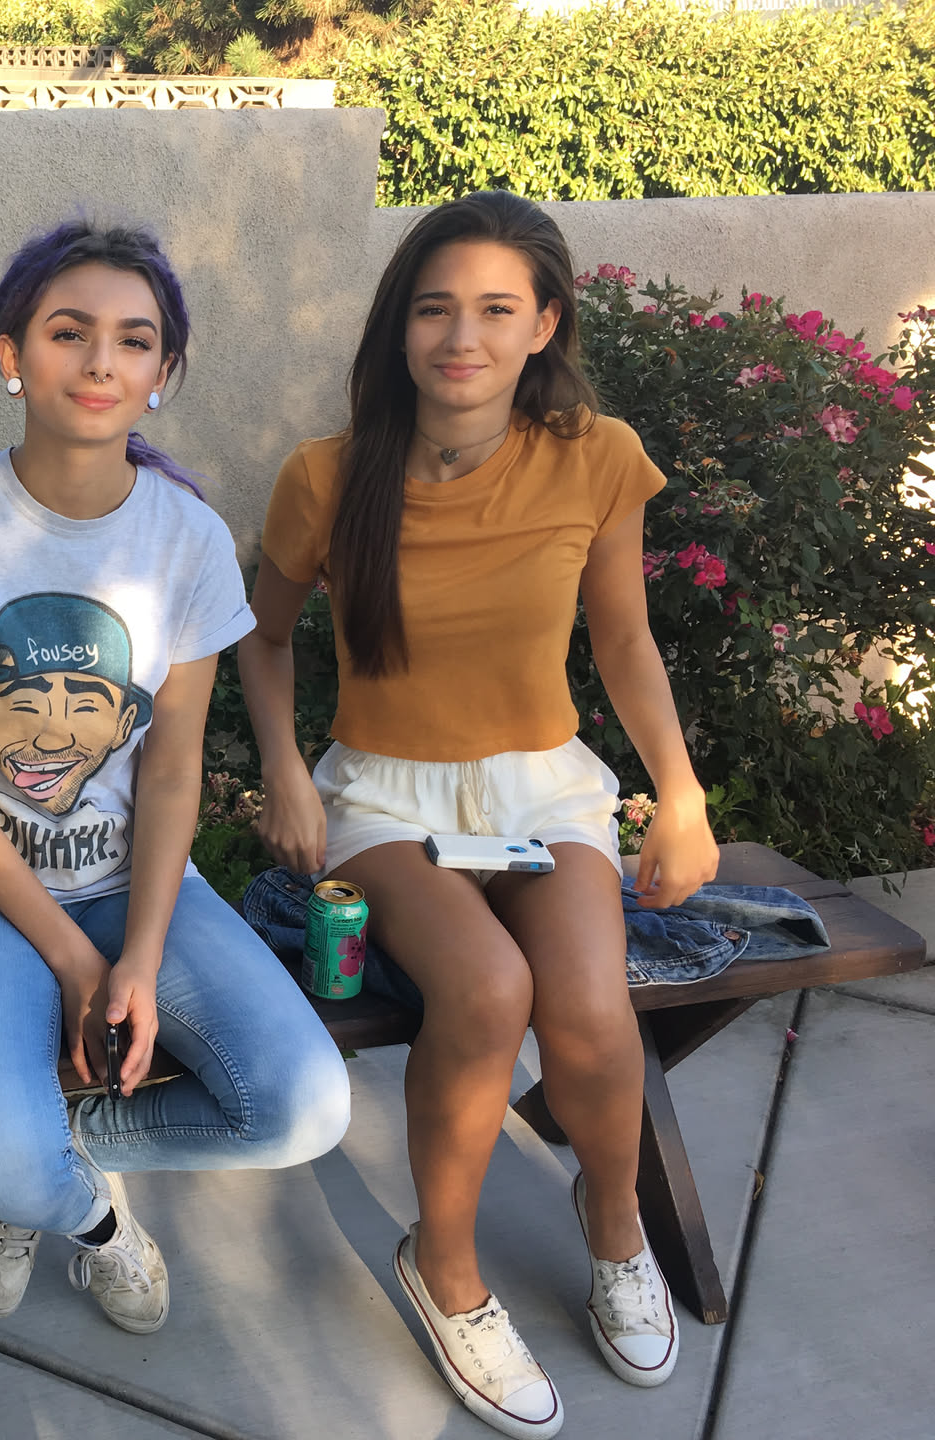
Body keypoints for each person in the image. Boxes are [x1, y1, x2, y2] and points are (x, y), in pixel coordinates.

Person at [238, 190, 719, 1438]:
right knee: (489, 989)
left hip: (543, 786)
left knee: (590, 1006)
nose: (463, 337)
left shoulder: (597, 457)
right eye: (435, 308)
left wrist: (679, 793)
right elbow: (261, 635)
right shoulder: (327, 476)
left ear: (543, 324)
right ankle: (444, 1266)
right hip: (385, 795)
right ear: (398, 325)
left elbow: (624, 639)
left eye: (498, 309)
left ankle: (614, 1224)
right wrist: (285, 770)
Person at [0, 219, 352, 1336]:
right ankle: (80, 1213)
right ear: (11, 355)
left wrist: (136, 952)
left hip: (133, 881)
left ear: (162, 371)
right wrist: (77, 960)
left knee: (303, 1105)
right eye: (68, 332)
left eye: (133, 340)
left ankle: (51, 1157)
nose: (99, 362)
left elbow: (172, 770)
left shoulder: (187, 539)